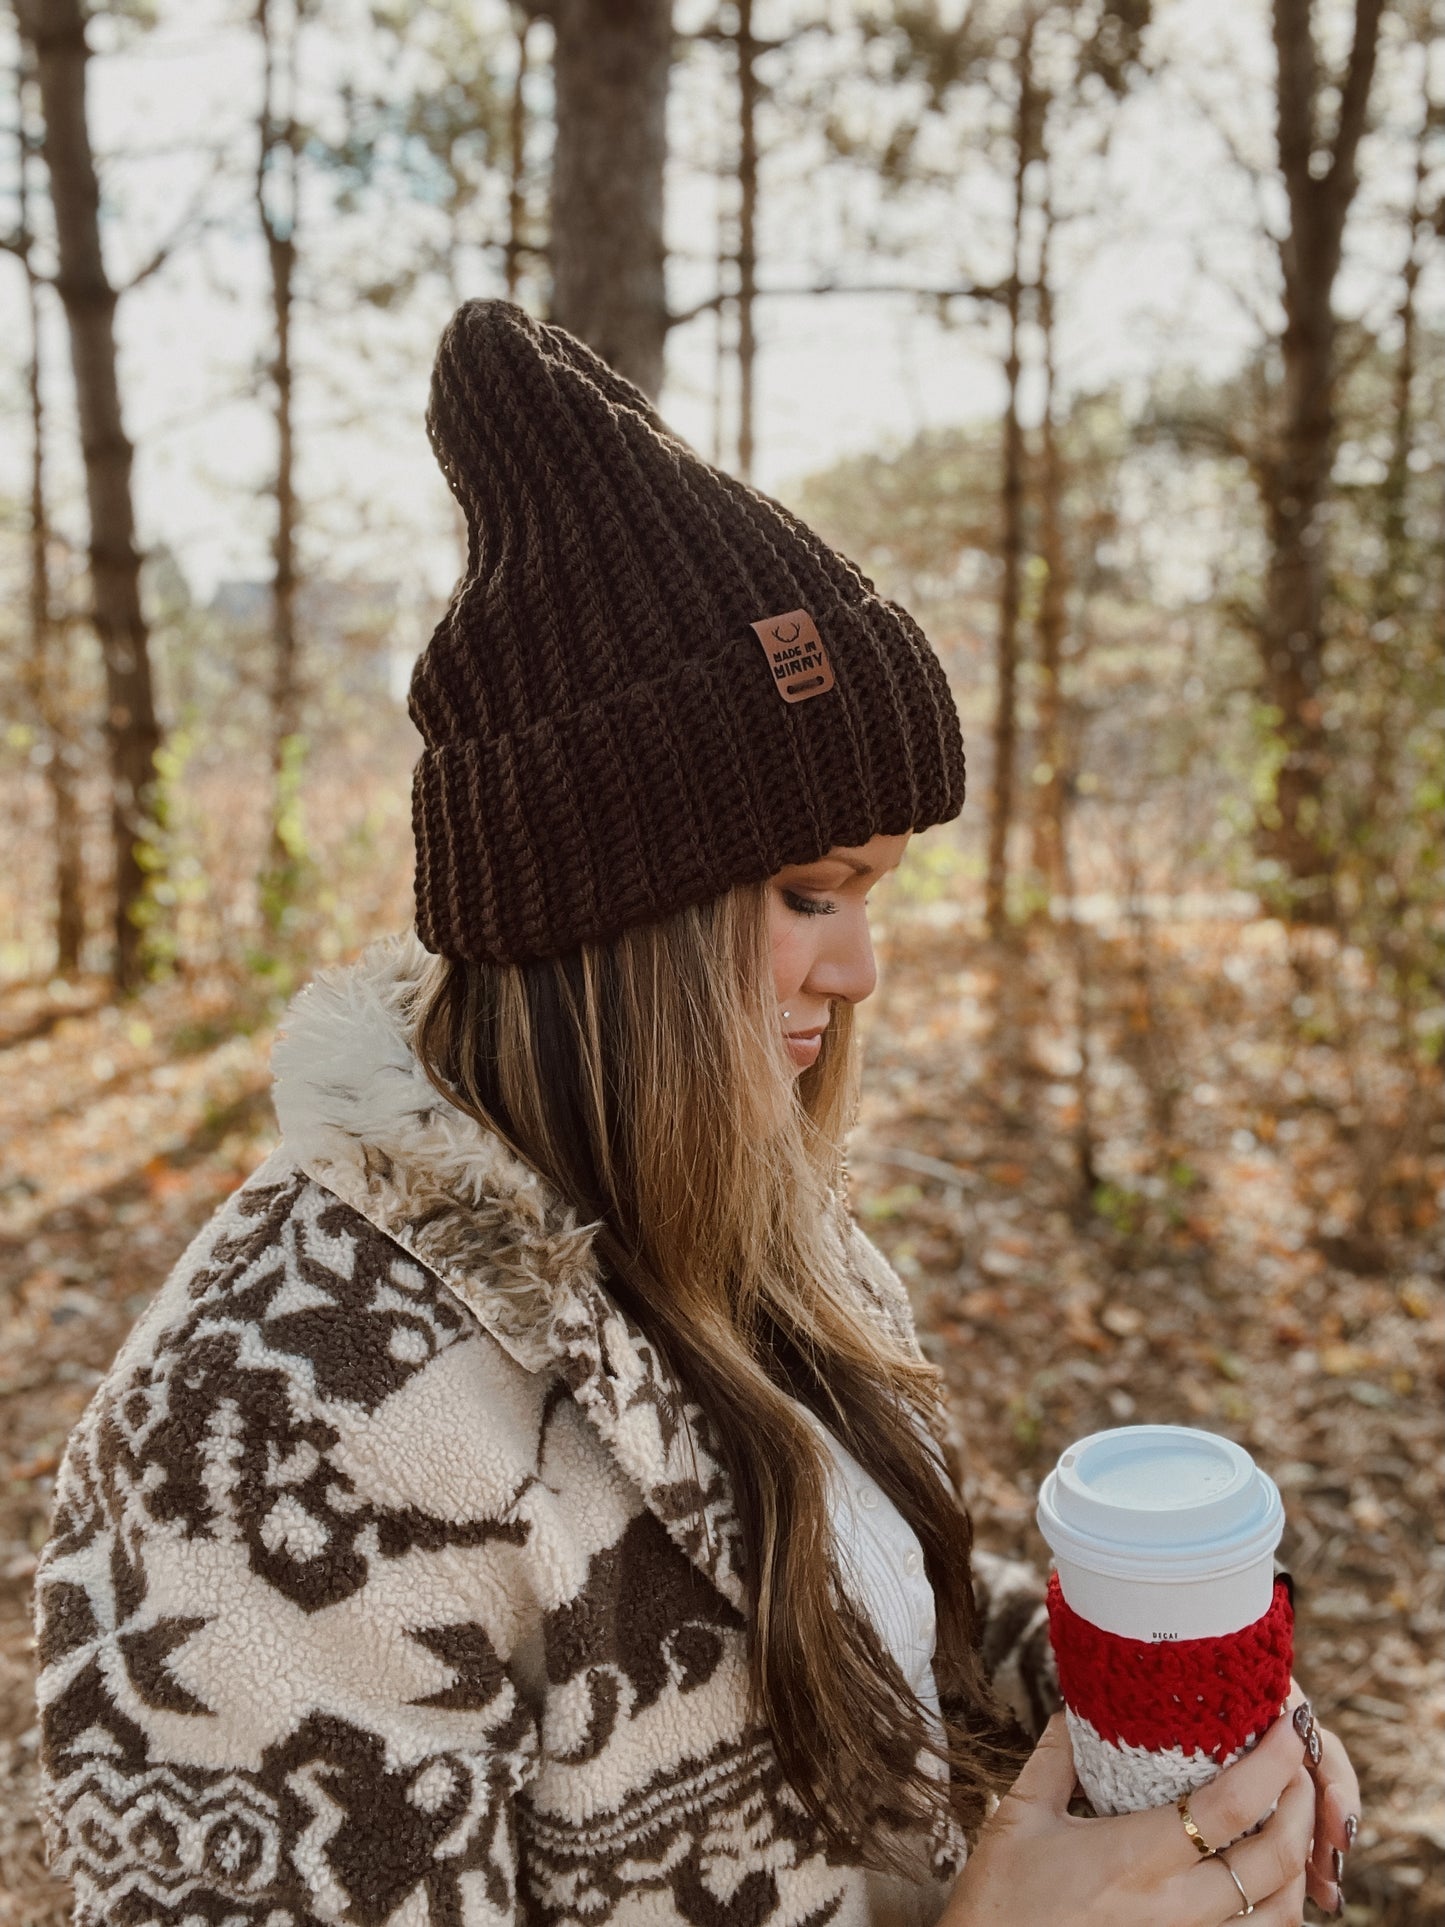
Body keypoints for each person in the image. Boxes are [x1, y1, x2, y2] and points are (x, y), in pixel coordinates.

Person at [33, 300, 1357, 1927]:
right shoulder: (270, 1428)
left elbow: (872, 1631)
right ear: (614, 912)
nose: (860, 966)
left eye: (874, 892)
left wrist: (1185, 1739)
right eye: (808, 892)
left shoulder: (731, 1216)